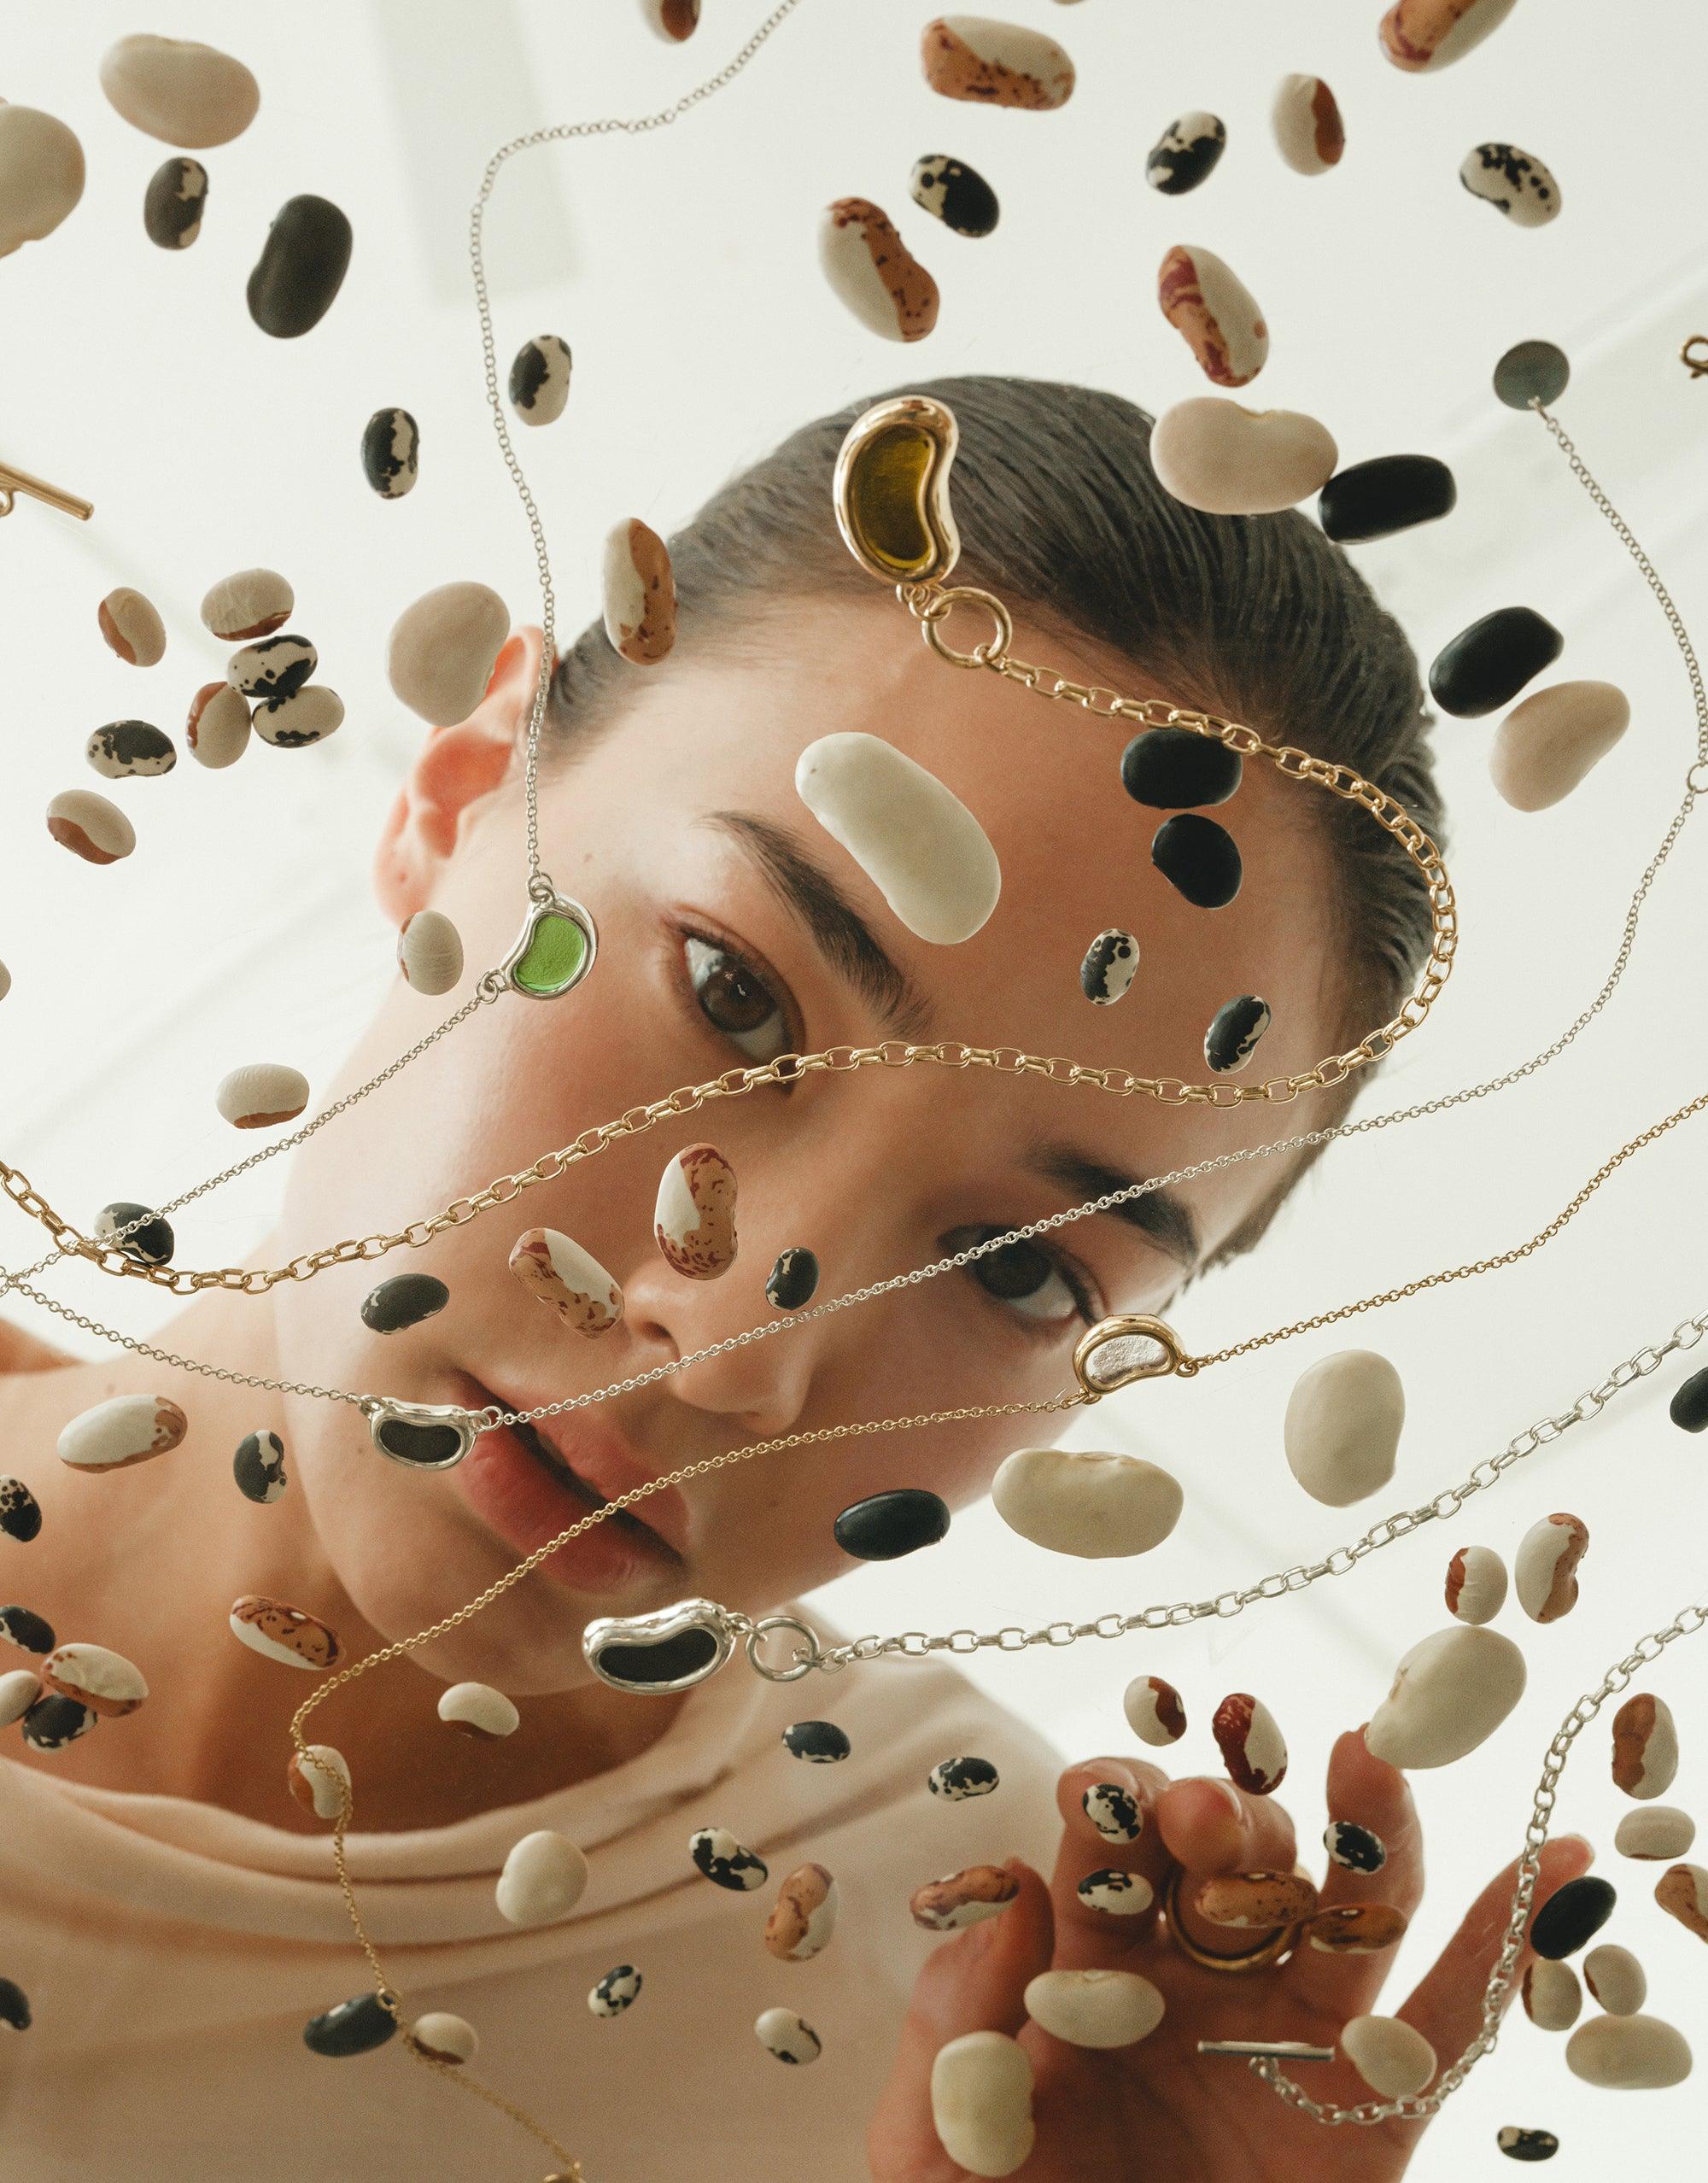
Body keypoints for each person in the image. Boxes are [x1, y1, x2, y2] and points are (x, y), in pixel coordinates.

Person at [0, 377, 1585, 2180]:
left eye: (1019, 1272)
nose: (739, 1355)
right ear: (457, 800)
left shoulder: (979, 1969)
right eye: (734, 995)